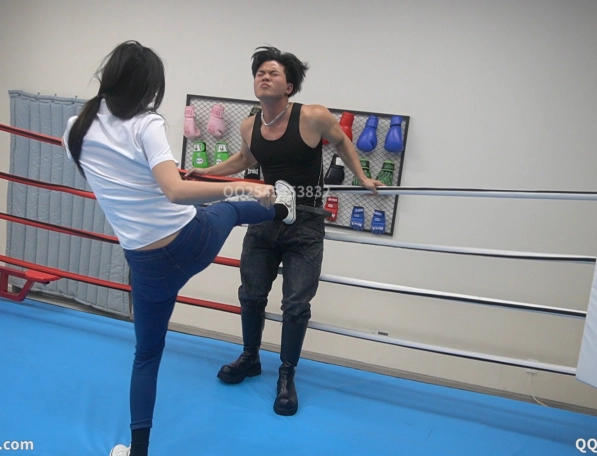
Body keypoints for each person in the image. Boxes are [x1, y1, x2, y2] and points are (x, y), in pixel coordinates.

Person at [62, 41, 297, 456]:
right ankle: (282, 207)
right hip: (189, 241)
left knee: (146, 356)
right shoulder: (146, 123)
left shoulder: (74, 130)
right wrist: (245, 185)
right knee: (230, 208)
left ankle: (138, 450)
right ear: (148, 87)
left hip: (145, 264)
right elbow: (173, 191)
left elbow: (122, 183)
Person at [186, 45, 383, 416]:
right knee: (250, 294)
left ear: (289, 86)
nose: (264, 77)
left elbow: (342, 141)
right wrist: (207, 173)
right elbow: (244, 159)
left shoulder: (312, 116)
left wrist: (362, 177)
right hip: (265, 216)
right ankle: (250, 358)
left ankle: (286, 375)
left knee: (295, 305)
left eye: (273, 73)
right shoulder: (250, 125)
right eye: (260, 72)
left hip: (305, 222)